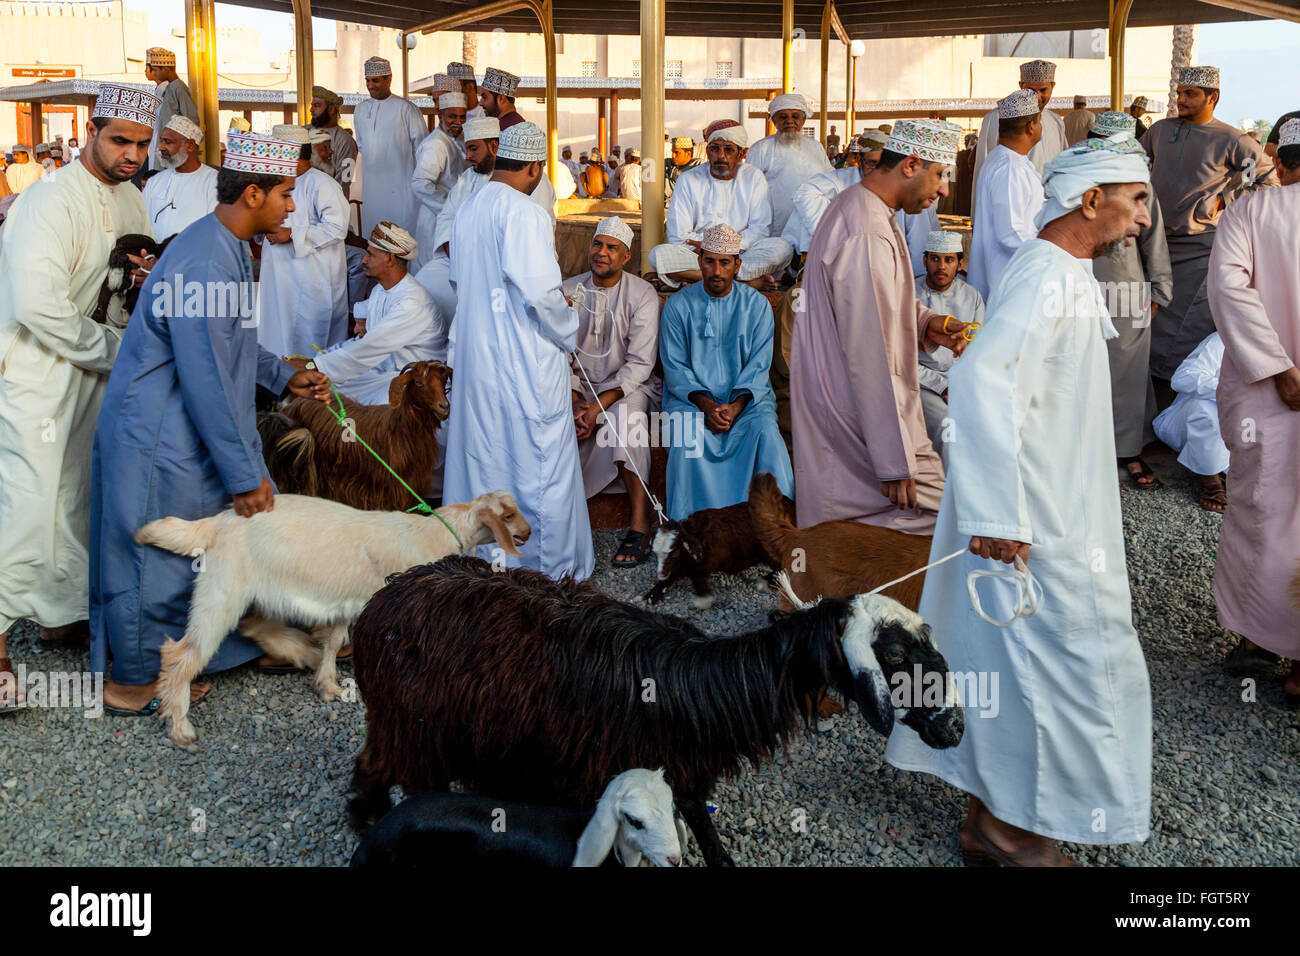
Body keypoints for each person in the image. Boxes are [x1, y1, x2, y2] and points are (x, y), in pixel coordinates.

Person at [886, 135, 1156, 866]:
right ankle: (1015, 837)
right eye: (1134, 202)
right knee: (1058, 668)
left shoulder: (1055, 270)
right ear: (1090, 200)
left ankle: (988, 825)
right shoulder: (1046, 277)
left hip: (1055, 506)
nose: (1141, 220)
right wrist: (1001, 516)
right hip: (1037, 520)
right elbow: (982, 386)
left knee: (1010, 666)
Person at [89, 129, 331, 715]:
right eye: (286, 195)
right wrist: (247, 473)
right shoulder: (205, 258)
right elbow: (205, 376)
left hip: (181, 428)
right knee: (154, 557)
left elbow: (231, 345)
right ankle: (134, 684)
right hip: (158, 434)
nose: (292, 206)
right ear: (253, 195)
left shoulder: (222, 247)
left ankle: (193, 655)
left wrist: (281, 375)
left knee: (186, 556)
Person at [0, 84, 158, 708]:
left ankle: (60, 613)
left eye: (143, 145)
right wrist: (115, 349)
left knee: (79, 494)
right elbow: (38, 305)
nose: (132, 154)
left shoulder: (135, 200)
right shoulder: (47, 201)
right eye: (120, 140)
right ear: (92, 130)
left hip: (97, 372)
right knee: (28, 502)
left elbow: (135, 277)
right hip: (40, 373)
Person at [791, 118, 968, 533]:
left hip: (861, 410)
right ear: (910, 165)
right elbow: (870, 352)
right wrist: (895, 458)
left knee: (866, 535)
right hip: (861, 414)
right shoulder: (866, 231)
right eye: (940, 175)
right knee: (955, 528)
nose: (943, 190)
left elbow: (880, 304)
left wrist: (928, 322)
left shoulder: (862, 206)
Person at [443, 121, 593, 580]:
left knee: (484, 454)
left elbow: (459, 283)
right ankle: (545, 570)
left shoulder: (468, 209)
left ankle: (482, 563)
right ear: (535, 167)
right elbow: (542, 296)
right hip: (522, 360)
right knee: (535, 457)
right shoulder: (525, 212)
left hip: (478, 356)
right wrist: (570, 323)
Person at [1210, 117, 1300, 701]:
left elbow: (1228, 288)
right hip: (1272, 389)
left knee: (1265, 513)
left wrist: (1279, 369)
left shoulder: (1251, 211)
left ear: (1280, 156)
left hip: (1268, 396)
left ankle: (1262, 636)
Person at [1141, 66, 1276, 386]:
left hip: (1200, 247)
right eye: (1178, 93)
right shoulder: (1160, 130)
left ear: (1212, 97)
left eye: (1189, 94)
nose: (1180, 100)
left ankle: (1177, 394)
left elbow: (1264, 183)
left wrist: (1223, 203)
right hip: (1153, 243)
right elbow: (1133, 160)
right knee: (1146, 317)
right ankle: (1144, 391)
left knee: (1184, 325)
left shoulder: (1233, 141)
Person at [658, 223, 793, 519]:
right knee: (686, 437)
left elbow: (759, 367)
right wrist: (708, 406)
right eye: (709, 261)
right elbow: (676, 369)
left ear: (737, 265)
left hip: (747, 403)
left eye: (724, 263)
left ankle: (774, 530)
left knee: (766, 434)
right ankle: (689, 531)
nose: (716, 271)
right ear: (699, 261)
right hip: (690, 403)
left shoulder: (756, 306)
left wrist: (734, 407)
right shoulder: (678, 307)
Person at [562, 217, 662, 565]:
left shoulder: (642, 294)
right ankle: (556, 516)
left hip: (628, 388)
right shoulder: (568, 290)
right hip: (575, 391)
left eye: (611, 248)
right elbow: (561, 356)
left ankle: (639, 522)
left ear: (626, 257)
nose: (601, 253)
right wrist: (577, 402)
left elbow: (639, 364)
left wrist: (595, 409)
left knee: (627, 418)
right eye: (597, 244)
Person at [1086, 111, 1173, 492]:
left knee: (1126, 369)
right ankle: (1084, 448)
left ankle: (1127, 450)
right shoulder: (1076, 178)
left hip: (1125, 284)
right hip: (1077, 279)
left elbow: (1152, 239)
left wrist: (1157, 289)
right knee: (1081, 363)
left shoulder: (1140, 183)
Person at [649, 119, 793, 291]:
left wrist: (728, 249)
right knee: (658, 255)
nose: (721, 155)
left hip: (740, 255)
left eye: (728, 149)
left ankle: (696, 279)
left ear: (741, 153)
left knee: (783, 248)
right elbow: (678, 235)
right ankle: (745, 283)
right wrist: (710, 249)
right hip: (700, 255)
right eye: (715, 148)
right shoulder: (688, 179)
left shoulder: (753, 178)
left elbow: (760, 229)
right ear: (708, 151)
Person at [306, 222, 442, 402]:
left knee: (341, 397)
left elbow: (368, 348)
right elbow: (362, 341)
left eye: (370, 255)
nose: (363, 259)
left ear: (390, 259)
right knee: (325, 386)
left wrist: (314, 366)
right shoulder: (380, 291)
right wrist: (317, 359)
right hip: (384, 371)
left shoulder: (411, 302)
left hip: (415, 379)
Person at [256, 127, 350, 361]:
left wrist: (293, 234)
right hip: (278, 281)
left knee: (310, 346)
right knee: (276, 335)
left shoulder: (322, 184)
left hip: (312, 283)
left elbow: (338, 227)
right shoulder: (272, 184)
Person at [913, 229, 984, 464]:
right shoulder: (908, 294)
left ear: (960, 263)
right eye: (935, 259)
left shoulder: (972, 296)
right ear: (924, 260)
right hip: (922, 382)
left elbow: (977, 352)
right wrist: (942, 386)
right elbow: (900, 358)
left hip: (962, 381)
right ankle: (946, 496)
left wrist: (960, 386)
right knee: (947, 426)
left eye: (949, 260)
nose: (941, 266)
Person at [968, 89, 1045, 301]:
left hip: (1013, 280)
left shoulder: (1010, 162)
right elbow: (1011, 233)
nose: (1040, 127)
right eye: (1039, 121)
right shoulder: (1010, 168)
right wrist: (1050, 254)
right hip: (1008, 285)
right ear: (1031, 126)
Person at [1152, 332, 1229, 508]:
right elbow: (1183, 378)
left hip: (1247, 428)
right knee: (1208, 406)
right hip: (1188, 422)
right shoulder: (1223, 339)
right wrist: (1232, 390)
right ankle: (1210, 477)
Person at [971, 59, 1068, 197]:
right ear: (1021, 85)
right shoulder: (996, 117)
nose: (1037, 97)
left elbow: (1062, 166)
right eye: (1031, 90)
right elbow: (984, 165)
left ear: (1052, 86)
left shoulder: (1056, 121)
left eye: (1043, 90)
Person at [354, 56, 426, 239]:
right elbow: (362, 145)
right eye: (368, 81)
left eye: (375, 80)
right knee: (375, 239)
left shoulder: (406, 109)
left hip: (403, 192)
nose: (370, 85)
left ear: (389, 79)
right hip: (372, 191)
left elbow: (423, 149)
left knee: (402, 240)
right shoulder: (360, 110)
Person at [745, 93, 833, 238]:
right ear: (774, 120)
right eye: (783, 117)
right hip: (775, 229)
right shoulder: (761, 149)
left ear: (803, 120)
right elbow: (749, 190)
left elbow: (830, 180)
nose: (789, 121)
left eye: (795, 116)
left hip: (812, 225)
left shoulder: (816, 147)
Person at [411, 92, 467, 271]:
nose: (458, 121)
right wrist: (451, 207)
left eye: (462, 116)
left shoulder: (460, 139)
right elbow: (420, 183)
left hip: (454, 217)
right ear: (440, 115)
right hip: (435, 218)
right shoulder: (435, 144)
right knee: (433, 270)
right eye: (452, 116)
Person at [142, 115, 218, 241]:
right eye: (162, 141)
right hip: (155, 259)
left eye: (168, 142)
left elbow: (217, 232)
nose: (161, 147)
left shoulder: (214, 182)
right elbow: (142, 223)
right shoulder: (154, 182)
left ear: (190, 145)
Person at [144, 46, 199, 172]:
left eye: (156, 70)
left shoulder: (178, 88)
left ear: (167, 69)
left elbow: (191, 121)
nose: (154, 74)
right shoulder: (166, 89)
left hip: (173, 151)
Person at [309, 85, 359, 197]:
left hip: (330, 206)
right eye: (312, 105)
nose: (311, 110)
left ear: (331, 109)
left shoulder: (346, 142)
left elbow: (344, 181)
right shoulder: (304, 132)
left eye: (316, 106)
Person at [663, 135, 703, 205]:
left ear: (688, 154)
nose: (673, 155)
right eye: (672, 152)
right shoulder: (667, 163)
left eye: (676, 153)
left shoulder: (698, 166)